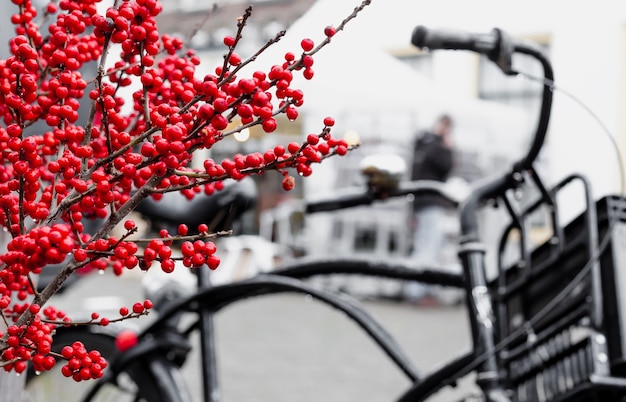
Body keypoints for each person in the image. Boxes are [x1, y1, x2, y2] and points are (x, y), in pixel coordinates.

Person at [406, 114, 455, 303]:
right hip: (432, 201)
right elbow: (446, 167)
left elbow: (414, 174)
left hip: (419, 201)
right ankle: (418, 292)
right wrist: (448, 148)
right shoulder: (437, 147)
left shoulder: (421, 144)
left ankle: (416, 289)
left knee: (422, 245)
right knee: (428, 248)